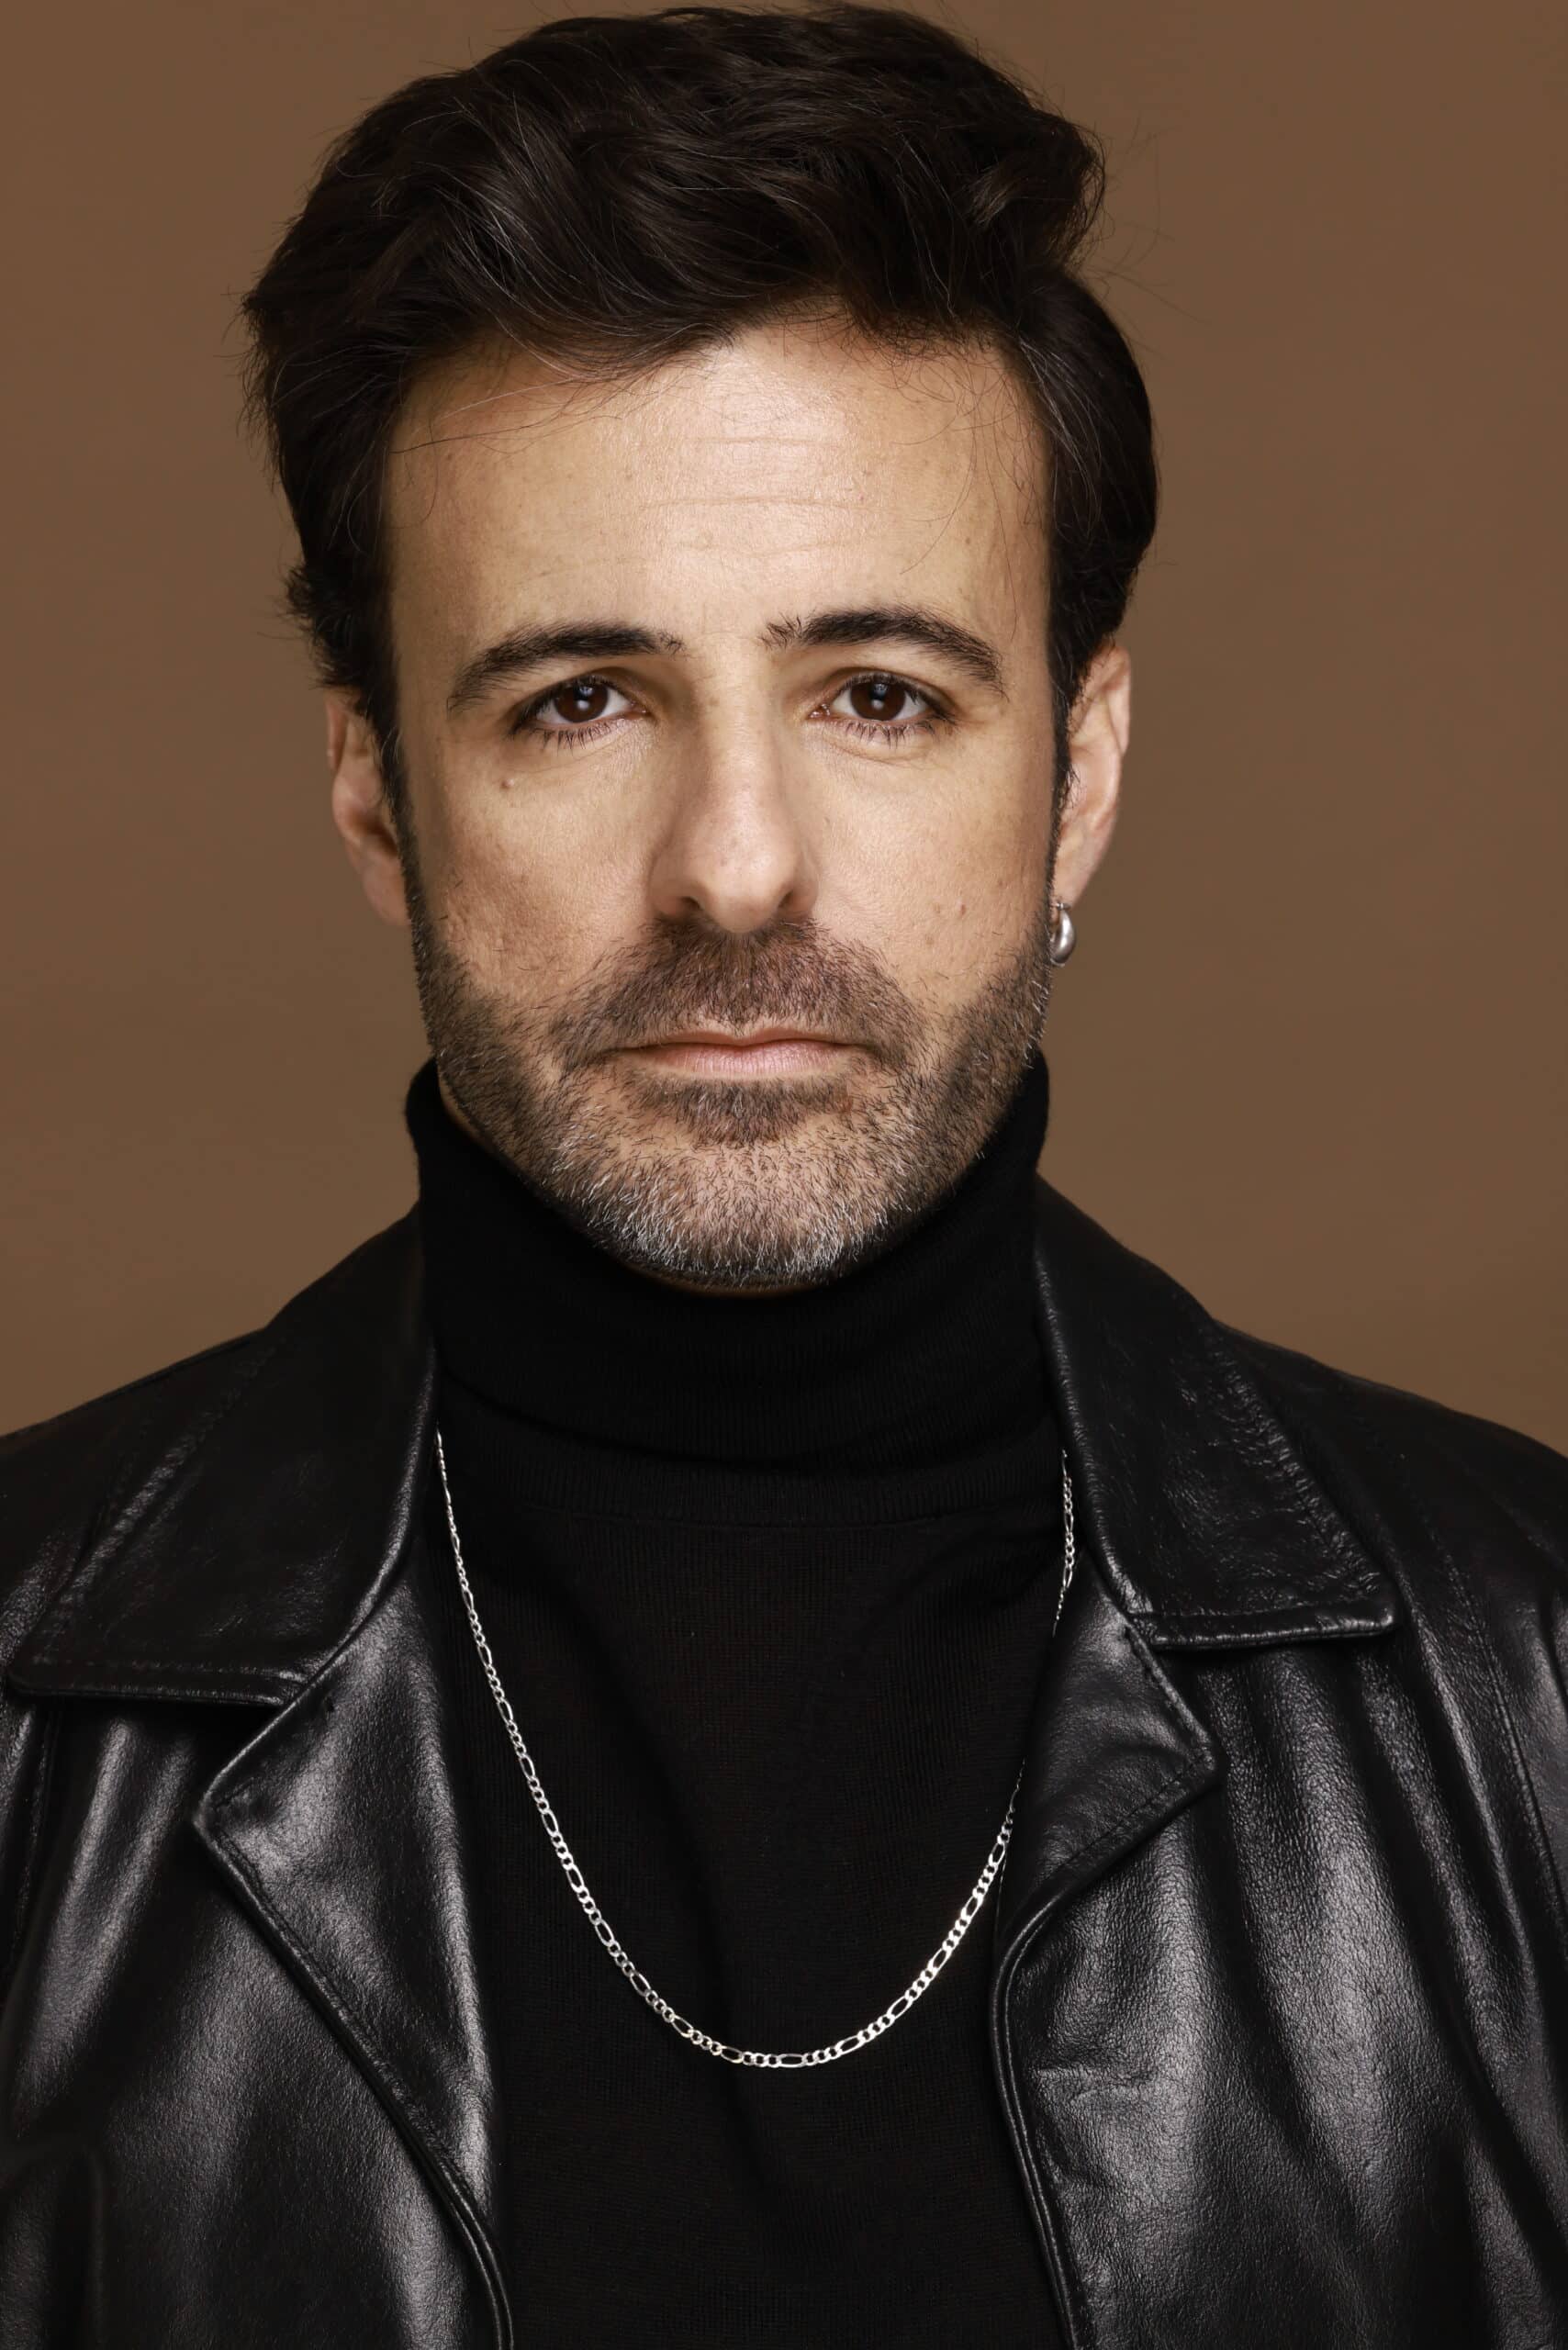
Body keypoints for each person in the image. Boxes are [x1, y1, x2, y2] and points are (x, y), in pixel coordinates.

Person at [2, 6, 1564, 2344]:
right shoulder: (30, 1717)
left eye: (878, 693)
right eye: (577, 699)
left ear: (1079, 774)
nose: (734, 867)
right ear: (375, 793)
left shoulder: (1528, 1684)